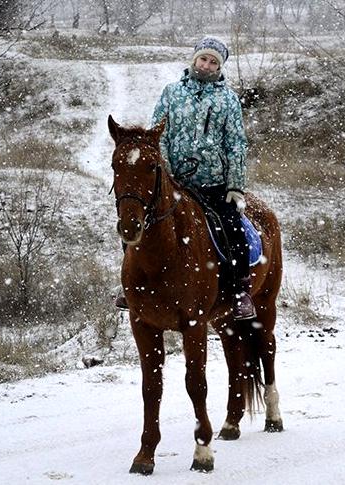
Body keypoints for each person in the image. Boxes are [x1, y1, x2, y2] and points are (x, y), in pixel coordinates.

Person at [116, 36, 256, 320]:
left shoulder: (227, 99)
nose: (206, 65)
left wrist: (235, 186)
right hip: (175, 182)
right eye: (203, 59)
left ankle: (240, 291)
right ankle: (129, 287)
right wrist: (165, 172)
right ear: (194, 60)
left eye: (213, 62)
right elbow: (157, 136)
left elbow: (236, 144)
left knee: (232, 228)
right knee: (136, 221)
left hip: (213, 183)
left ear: (219, 67)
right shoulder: (172, 93)